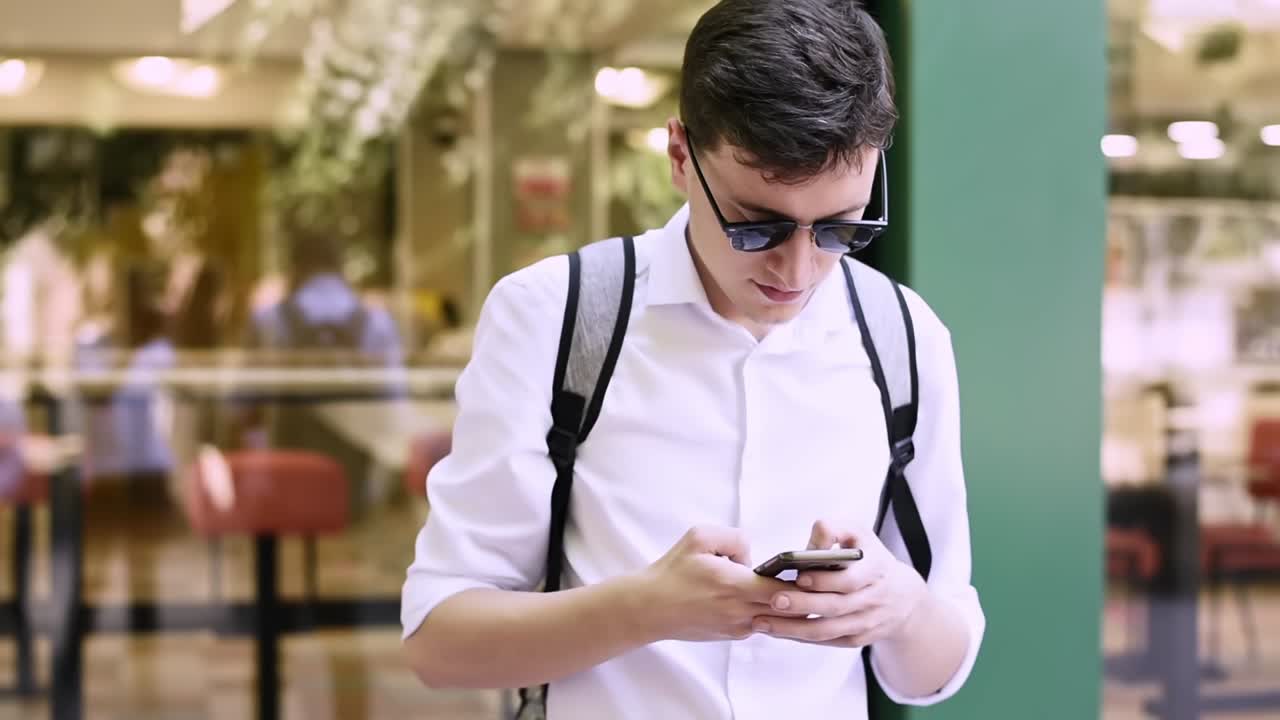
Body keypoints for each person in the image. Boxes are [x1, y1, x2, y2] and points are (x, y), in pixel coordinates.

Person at [401, 1, 984, 718]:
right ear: (680, 156)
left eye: (841, 228)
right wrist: (645, 609)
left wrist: (901, 608)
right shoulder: (556, 317)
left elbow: (934, 671)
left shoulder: (904, 337)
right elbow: (439, 645)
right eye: (756, 224)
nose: (798, 270)